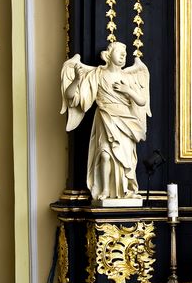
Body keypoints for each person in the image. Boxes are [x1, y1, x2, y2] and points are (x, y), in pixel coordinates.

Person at [60, 43, 150, 201]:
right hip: (105, 116)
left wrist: (128, 90)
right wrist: (77, 80)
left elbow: (142, 101)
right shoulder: (97, 74)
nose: (123, 55)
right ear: (109, 54)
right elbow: (71, 97)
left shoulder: (128, 77)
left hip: (125, 120)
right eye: (119, 52)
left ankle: (125, 190)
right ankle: (105, 190)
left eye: (125, 53)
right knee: (104, 154)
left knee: (125, 158)